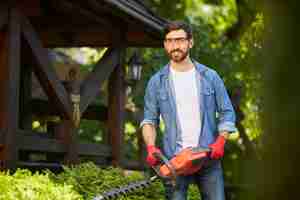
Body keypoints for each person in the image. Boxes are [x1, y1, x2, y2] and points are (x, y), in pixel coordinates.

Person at [140, 21, 237, 200]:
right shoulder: (157, 82)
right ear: (164, 44)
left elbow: (227, 112)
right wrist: (151, 146)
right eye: (169, 41)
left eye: (179, 40)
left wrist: (221, 141)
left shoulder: (210, 77)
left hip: (208, 158)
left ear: (190, 42)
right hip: (174, 161)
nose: (174, 46)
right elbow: (149, 120)